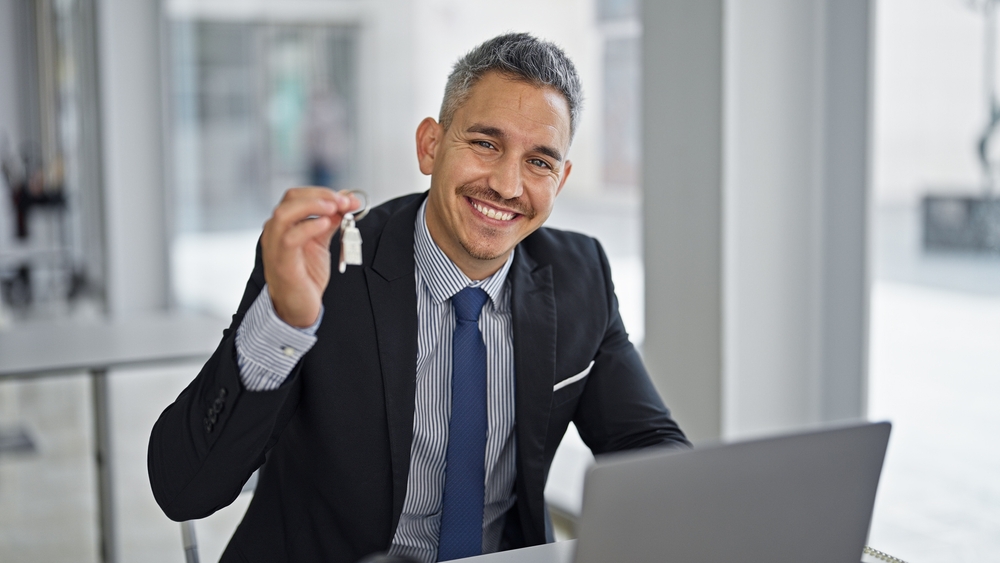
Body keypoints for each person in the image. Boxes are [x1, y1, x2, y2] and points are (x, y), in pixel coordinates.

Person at [148, 33, 689, 563]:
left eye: (539, 161)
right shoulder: (321, 267)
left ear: (561, 179)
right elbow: (184, 490)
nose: (506, 185)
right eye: (485, 143)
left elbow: (648, 448)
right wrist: (284, 325)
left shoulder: (579, 274)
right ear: (431, 145)